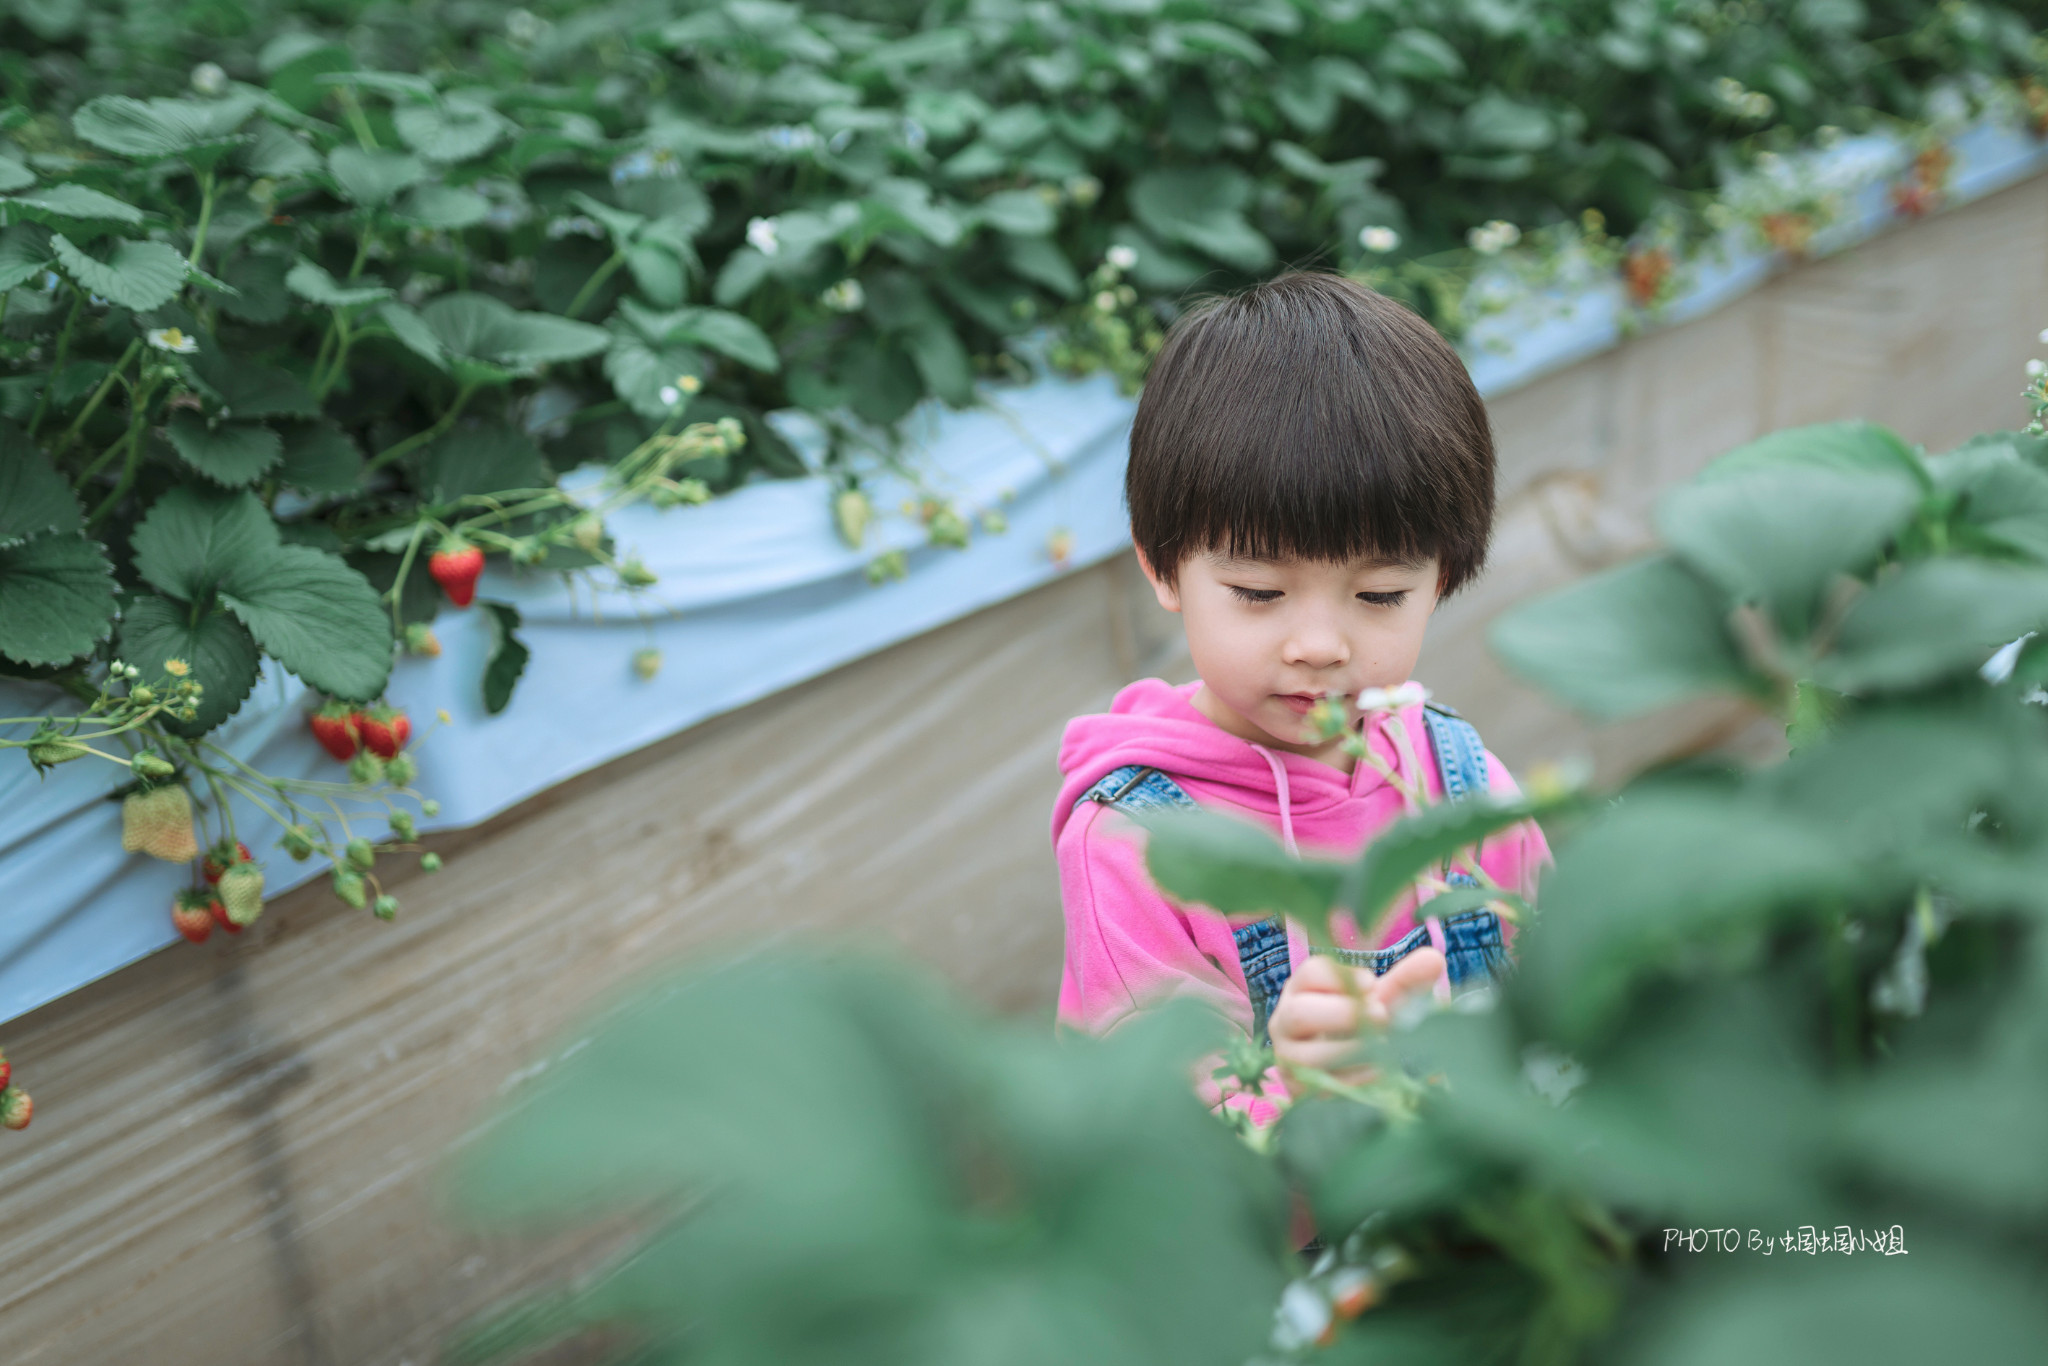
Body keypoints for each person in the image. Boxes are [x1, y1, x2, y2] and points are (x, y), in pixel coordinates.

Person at [1050, 272, 1550, 1115]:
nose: (1319, 646)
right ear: (1162, 568)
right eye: (1258, 591)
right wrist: (1305, 1089)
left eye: (1380, 595)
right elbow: (1155, 1140)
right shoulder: (1138, 844)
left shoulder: (1456, 782)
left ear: (1446, 579)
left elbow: (1552, 997)